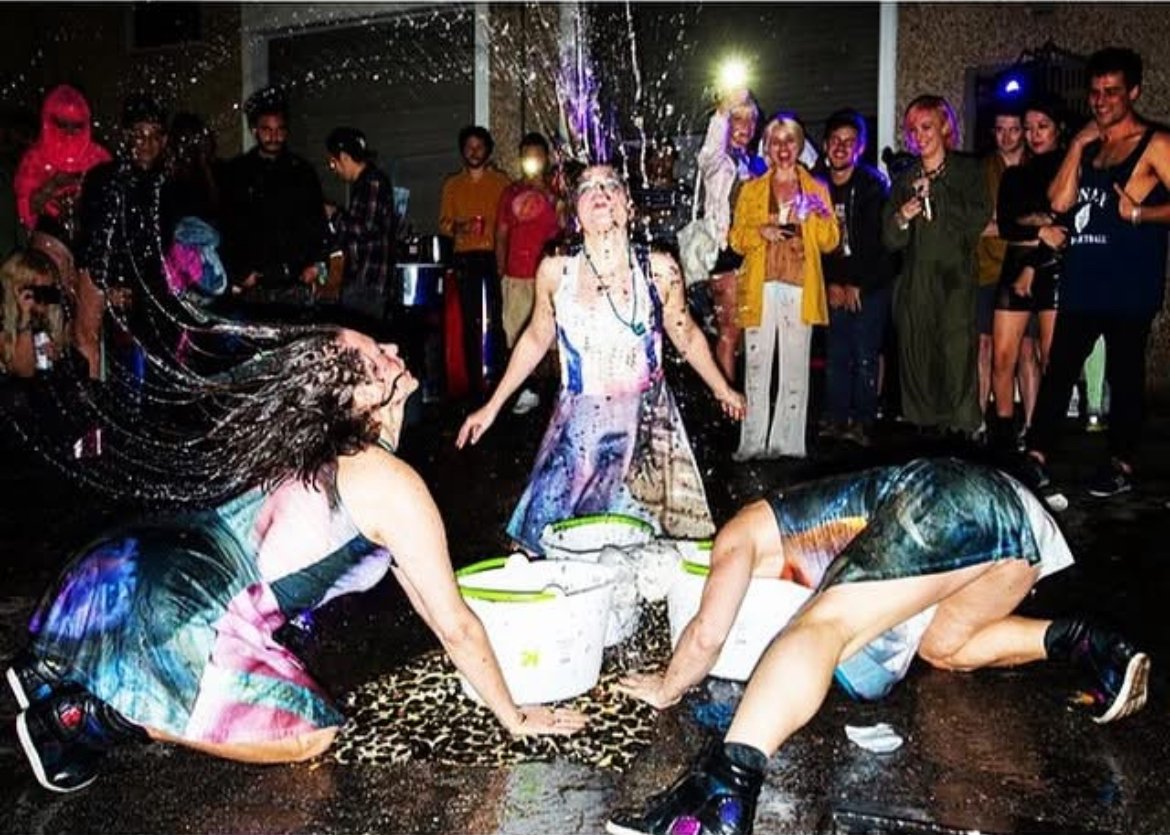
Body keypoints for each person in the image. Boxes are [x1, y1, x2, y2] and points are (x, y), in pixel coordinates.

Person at [7, 328, 585, 794]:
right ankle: (90, 716)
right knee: (311, 732)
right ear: (361, 400)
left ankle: (52, 669)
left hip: (120, 569)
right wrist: (514, 716)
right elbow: (454, 624)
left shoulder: (309, 446)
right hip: (180, 615)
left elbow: (432, 605)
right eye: (377, 358)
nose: (393, 349)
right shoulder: (390, 484)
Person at [606, 457, 1150, 835]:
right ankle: (1086, 642)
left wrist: (667, 686)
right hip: (1016, 514)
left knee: (823, 627)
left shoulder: (735, 536)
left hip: (947, 500)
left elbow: (708, 633)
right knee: (946, 646)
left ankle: (722, 793)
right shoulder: (793, 530)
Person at [455, 164, 745, 554]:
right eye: (588, 187)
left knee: (644, 549)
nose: (601, 192)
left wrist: (722, 388)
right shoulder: (556, 272)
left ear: (628, 206)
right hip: (580, 431)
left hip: (645, 425)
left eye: (611, 184)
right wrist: (492, 406)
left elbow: (687, 334)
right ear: (576, 213)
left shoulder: (659, 270)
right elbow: (536, 338)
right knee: (558, 545)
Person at [1022, 47, 1170, 502]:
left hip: (1129, 281)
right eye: (1095, 92)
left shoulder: (1155, 143)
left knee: (1124, 376)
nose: (1101, 101)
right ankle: (1037, 456)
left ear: (1134, 92)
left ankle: (1121, 463)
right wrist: (1076, 147)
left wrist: (1141, 214)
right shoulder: (1089, 146)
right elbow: (1059, 202)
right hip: (1084, 277)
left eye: (1112, 92)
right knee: (1060, 368)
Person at [729, 113, 839, 460]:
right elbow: (736, 239)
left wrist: (819, 215)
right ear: (767, 147)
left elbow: (830, 242)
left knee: (794, 368)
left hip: (799, 285)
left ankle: (787, 445)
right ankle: (752, 443)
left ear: (799, 145)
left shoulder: (817, 188)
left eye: (789, 140)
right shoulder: (751, 189)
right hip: (760, 285)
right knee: (756, 366)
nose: (783, 148)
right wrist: (760, 232)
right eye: (775, 142)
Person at [883, 95, 992, 438]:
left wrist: (939, 193)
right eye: (913, 130)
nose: (920, 136)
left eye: (926, 127)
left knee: (957, 351)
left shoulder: (967, 171)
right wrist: (902, 217)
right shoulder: (905, 179)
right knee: (917, 353)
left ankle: (963, 427)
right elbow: (890, 238)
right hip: (917, 278)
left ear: (944, 126)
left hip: (954, 276)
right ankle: (924, 429)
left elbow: (978, 217)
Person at [989, 100, 1068, 454]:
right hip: (1015, 265)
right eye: (1029, 127)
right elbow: (1008, 225)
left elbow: (1063, 226)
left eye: (1042, 126)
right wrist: (1040, 228)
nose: (1034, 134)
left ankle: (1043, 440)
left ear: (1058, 128)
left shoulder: (1071, 167)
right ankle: (1004, 437)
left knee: (1052, 359)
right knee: (1002, 357)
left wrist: (1036, 228)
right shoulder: (1015, 175)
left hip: (1054, 267)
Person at [815, 108, 893, 448]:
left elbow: (881, 242)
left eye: (849, 142)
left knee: (864, 355)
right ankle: (835, 418)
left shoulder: (873, 185)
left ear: (860, 147)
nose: (841, 147)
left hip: (869, 284)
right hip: (833, 284)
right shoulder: (815, 184)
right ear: (825, 145)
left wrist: (857, 283)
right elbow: (813, 243)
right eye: (835, 140)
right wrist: (830, 282)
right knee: (836, 355)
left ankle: (863, 421)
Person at [219, 87, 330, 320]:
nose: (274, 136)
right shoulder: (237, 172)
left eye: (279, 130)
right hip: (254, 286)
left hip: (295, 284)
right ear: (254, 130)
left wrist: (316, 264)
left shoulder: (302, 172)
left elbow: (317, 223)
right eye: (267, 130)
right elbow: (227, 225)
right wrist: (239, 272)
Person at [694, 88, 766, 380]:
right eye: (739, 119)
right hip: (725, 252)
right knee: (729, 331)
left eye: (751, 121)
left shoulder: (755, 163)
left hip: (752, 251)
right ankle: (725, 398)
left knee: (746, 331)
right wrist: (725, 106)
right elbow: (713, 138)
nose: (745, 127)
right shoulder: (716, 159)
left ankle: (739, 393)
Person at [438, 125, 512, 399]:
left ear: (487, 150)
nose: (474, 152)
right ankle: (473, 387)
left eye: (479, 147)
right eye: (469, 147)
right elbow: (443, 223)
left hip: (494, 257)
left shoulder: (501, 183)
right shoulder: (452, 184)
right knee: (470, 322)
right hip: (465, 258)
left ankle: (499, 382)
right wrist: (462, 227)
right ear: (462, 151)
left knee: (496, 319)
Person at [494, 132, 561, 415]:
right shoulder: (510, 192)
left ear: (546, 159)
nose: (532, 162)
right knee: (518, 333)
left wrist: (547, 192)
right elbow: (501, 234)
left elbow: (566, 224)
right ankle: (528, 388)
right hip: (517, 275)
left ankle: (557, 393)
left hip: (549, 275)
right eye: (527, 157)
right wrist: (501, 271)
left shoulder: (557, 191)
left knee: (555, 338)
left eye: (537, 157)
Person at [975, 107, 1026, 425]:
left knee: (1028, 350)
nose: (1006, 137)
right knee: (983, 345)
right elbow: (975, 224)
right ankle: (979, 420)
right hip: (987, 270)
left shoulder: (1035, 164)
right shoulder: (982, 170)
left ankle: (1030, 424)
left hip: (1027, 268)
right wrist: (1019, 225)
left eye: (1014, 129)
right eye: (1000, 129)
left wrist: (1003, 224)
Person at [14, 85, 110, 248]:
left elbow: (112, 208)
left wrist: (86, 198)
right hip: (46, 247)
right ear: (49, 121)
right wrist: (52, 185)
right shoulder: (35, 158)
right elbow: (23, 211)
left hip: (91, 243)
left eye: (76, 125)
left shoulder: (98, 157)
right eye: (62, 124)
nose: (69, 132)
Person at [324, 126, 396, 334]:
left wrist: (334, 214)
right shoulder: (364, 183)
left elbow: (366, 228)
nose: (333, 169)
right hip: (361, 281)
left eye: (333, 162)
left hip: (368, 282)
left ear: (344, 157)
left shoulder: (372, 182)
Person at [1, 247, 68, 377]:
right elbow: (23, 371)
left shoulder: (49, 320)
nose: (44, 302)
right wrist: (25, 321)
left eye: (49, 292)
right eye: (39, 293)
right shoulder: (4, 319)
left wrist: (57, 357)